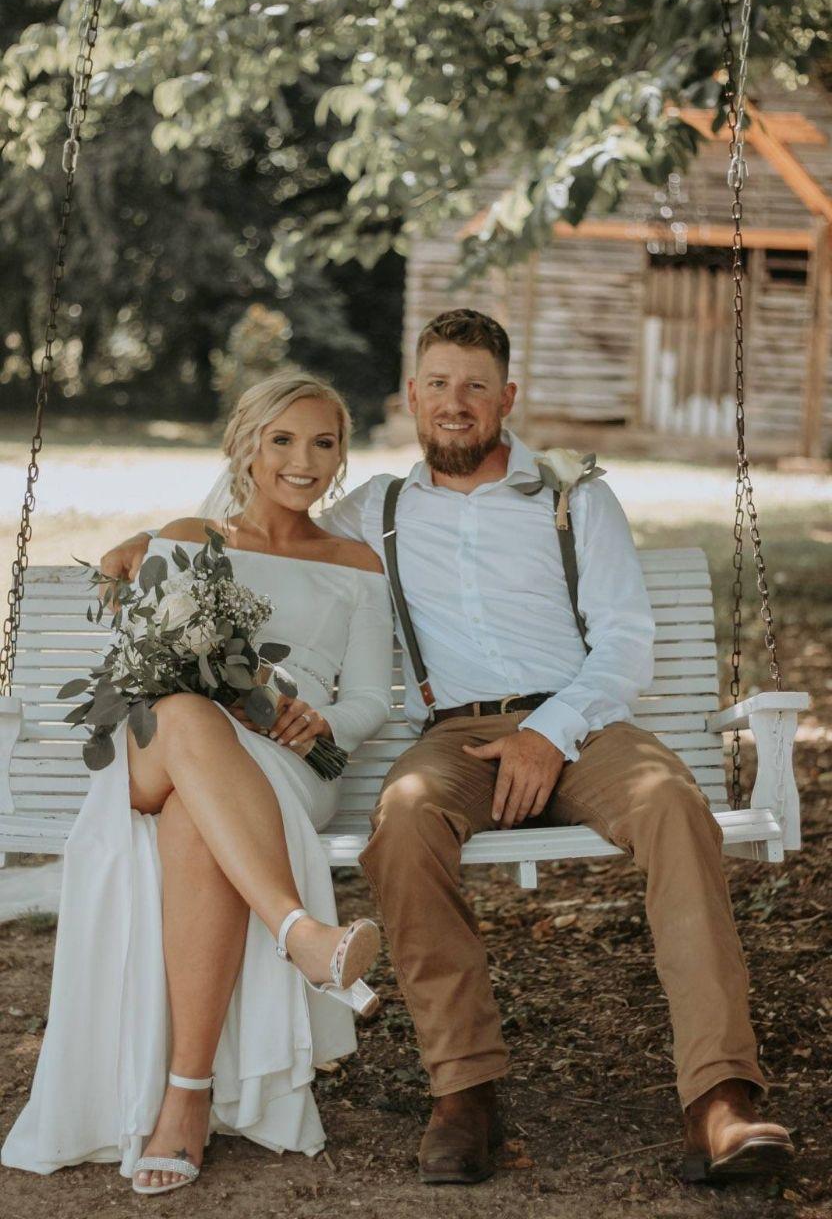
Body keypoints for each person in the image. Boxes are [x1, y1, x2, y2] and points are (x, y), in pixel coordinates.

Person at [85, 309, 795, 1187]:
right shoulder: (374, 507)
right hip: (454, 733)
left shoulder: (577, 497)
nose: (454, 404)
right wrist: (150, 541)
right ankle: (465, 1093)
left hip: (584, 721)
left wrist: (548, 731)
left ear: (507, 396)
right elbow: (267, 506)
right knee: (405, 826)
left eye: (474, 386)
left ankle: (719, 1098)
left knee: (674, 810)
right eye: (437, 385)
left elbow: (623, 643)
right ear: (411, 396)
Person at [1, 371, 394, 1196]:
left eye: (324, 443)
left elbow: (365, 699)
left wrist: (325, 723)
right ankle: (302, 936)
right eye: (282, 439)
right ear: (244, 445)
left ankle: (185, 1101)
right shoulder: (183, 538)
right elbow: (140, 673)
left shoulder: (356, 564)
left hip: (285, 763)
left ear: (342, 457)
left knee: (192, 823)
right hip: (152, 751)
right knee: (180, 712)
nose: (303, 461)